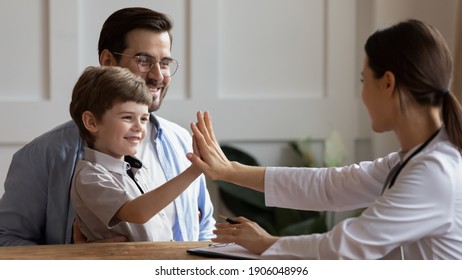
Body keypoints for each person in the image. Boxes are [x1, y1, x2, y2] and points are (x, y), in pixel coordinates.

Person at [187, 19, 462, 259]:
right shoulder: (414, 159)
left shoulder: (433, 172)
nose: (362, 95)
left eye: (363, 81)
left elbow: (346, 249)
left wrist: (266, 243)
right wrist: (229, 170)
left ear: (388, 83)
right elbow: (331, 186)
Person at [0, 7, 215, 246]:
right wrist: (76, 262)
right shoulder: (44, 155)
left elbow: (204, 226)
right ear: (107, 62)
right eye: (143, 61)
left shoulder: (182, 141)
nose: (157, 76)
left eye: (164, 63)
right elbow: (6, 240)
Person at [69, 66, 202, 242]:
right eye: (127, 117)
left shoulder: (136, 169)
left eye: (144, 119)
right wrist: (195, 169)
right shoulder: (89, 177)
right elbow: (138, 213)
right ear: (92, 122)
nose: (139, 127)